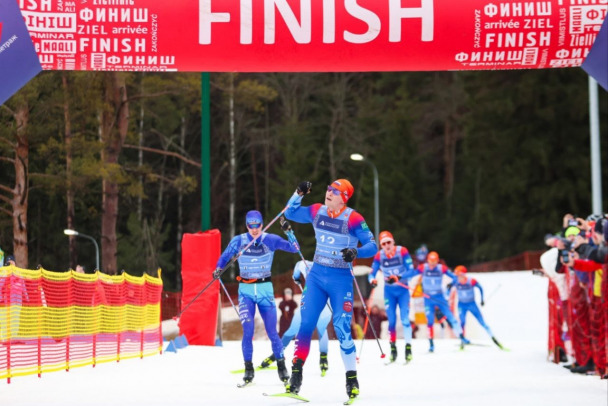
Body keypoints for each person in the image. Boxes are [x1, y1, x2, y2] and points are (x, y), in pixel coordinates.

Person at [283, 179, 376, 401]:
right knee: (306, 324)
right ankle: (296, 375)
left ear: (344, 197)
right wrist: (298, 193)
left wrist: (356, 252)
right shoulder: (317, 211)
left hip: (340, 279)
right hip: (316, 277)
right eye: (328, 189)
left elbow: (372, 245)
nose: (329, 193)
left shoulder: (353, 218)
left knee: (341, 327)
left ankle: (351, 379)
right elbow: (290, 213)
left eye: (335, 191)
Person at [213, 210, 298, 386]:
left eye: (257, 226)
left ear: (261, 224)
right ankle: (248, 369)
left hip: (265, 289)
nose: (254, 230)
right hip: (246, 291)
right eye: (250, 226)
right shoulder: (239, 241)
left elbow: (294, 248)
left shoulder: (270, 239)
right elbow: (225, 256)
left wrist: (288, 231)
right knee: (248, 331)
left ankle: (281, 366)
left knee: (272, 332)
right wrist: (218, 268)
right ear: (246, 225)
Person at [260, 260, 333, 376]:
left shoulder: (307, 264)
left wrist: (296, 277)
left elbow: (298, 266)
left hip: (318, 306)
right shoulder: (325, 265)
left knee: (314, 328)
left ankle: (323, 357)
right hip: (316, 305)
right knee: (316, 329)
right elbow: (298, 266)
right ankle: (323, 358)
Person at [368, 230, 417, 363]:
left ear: (393, 241)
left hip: (402, 291)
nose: (387, 245)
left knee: (405, 319)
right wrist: (372, 280)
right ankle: (393, 349)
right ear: (381, 245)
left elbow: (411, 271)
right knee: (392, 321)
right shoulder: (379, 256)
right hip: (389, 292)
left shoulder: (402, 251)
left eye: (389, 242)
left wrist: (398, 277)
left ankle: (408, 349)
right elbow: (371, 273)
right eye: (384, 244)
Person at [413, 251, 469, 351]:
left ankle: (462, 338)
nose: (432, 263)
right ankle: (431, 345)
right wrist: (398, 278)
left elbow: (454, 278)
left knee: (451, 317)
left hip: (439, 297)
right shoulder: (423, 267)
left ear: (437, 261)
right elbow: (411, 273)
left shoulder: (441, 268)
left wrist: (451, 284)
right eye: (431, 261)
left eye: (434, 261)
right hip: (428, 299)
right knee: (429, 320)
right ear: (428, 260)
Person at [450, 265, 504, 349]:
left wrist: (482, 299)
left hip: (472, 304)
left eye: (459, 275)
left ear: (463, 275)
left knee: (482, 322)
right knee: (462, 322)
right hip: (461, 304)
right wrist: (448, 290)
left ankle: (494, 339)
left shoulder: (471, 281)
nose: (458, 277)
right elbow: (449, 288)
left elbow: (480, 288)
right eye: (457, 276)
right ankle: (462, 342)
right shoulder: (455, 281)